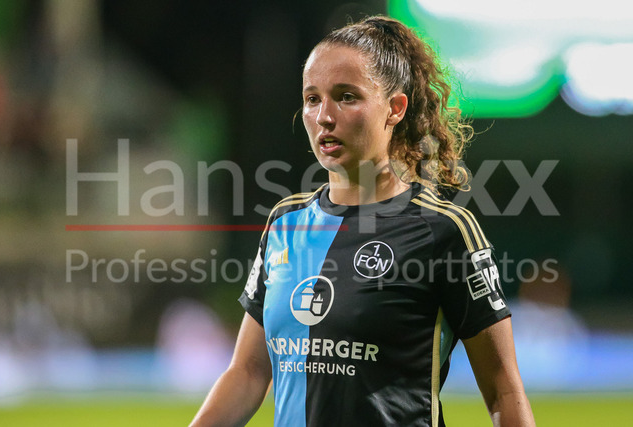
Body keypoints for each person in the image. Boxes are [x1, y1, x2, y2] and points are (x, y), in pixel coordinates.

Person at [190, 16, 535, 427]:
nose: (324, 116)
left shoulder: (443, 230)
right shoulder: (285, 222)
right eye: (312, 99)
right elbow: (248, 373)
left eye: (347, 97)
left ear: (395, 108)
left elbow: (503, 389)